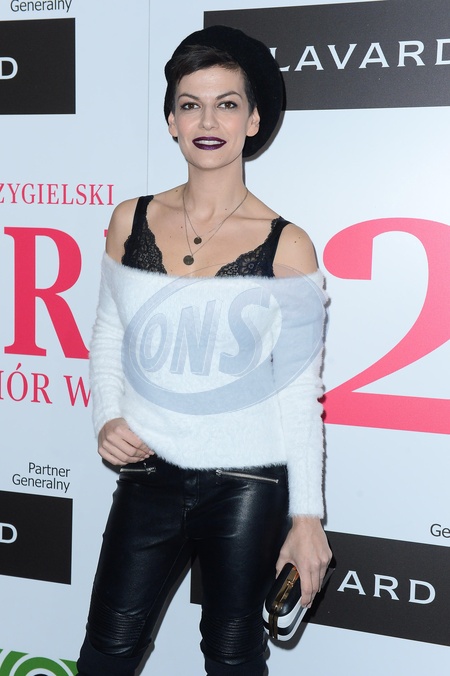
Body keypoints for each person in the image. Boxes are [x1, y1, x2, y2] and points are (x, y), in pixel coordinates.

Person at [77, 25, 332, 676]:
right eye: (191, 104)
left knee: (231, 656)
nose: (208, 121)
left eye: (227, 104)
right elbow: (109, 333)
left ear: (253, 120)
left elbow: (298, 391)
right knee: (106, 654)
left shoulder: (287, 245)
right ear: (171, 121)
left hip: (247, 484)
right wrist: (107, 416)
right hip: (147, 476)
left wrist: (307, 518)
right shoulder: (130, 219)